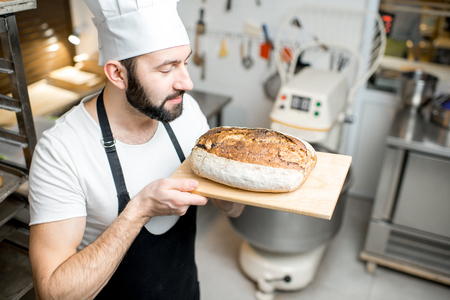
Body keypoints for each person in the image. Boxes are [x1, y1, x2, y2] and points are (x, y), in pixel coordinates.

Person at [27, 0, 244, 299]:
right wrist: (139, 211)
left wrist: (233, 188)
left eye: (185, 62)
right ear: (117, 74)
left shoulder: (186, 112)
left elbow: (234, 208)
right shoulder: (62, 151)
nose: (187, 82)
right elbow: (53, 294)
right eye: (167, 69)